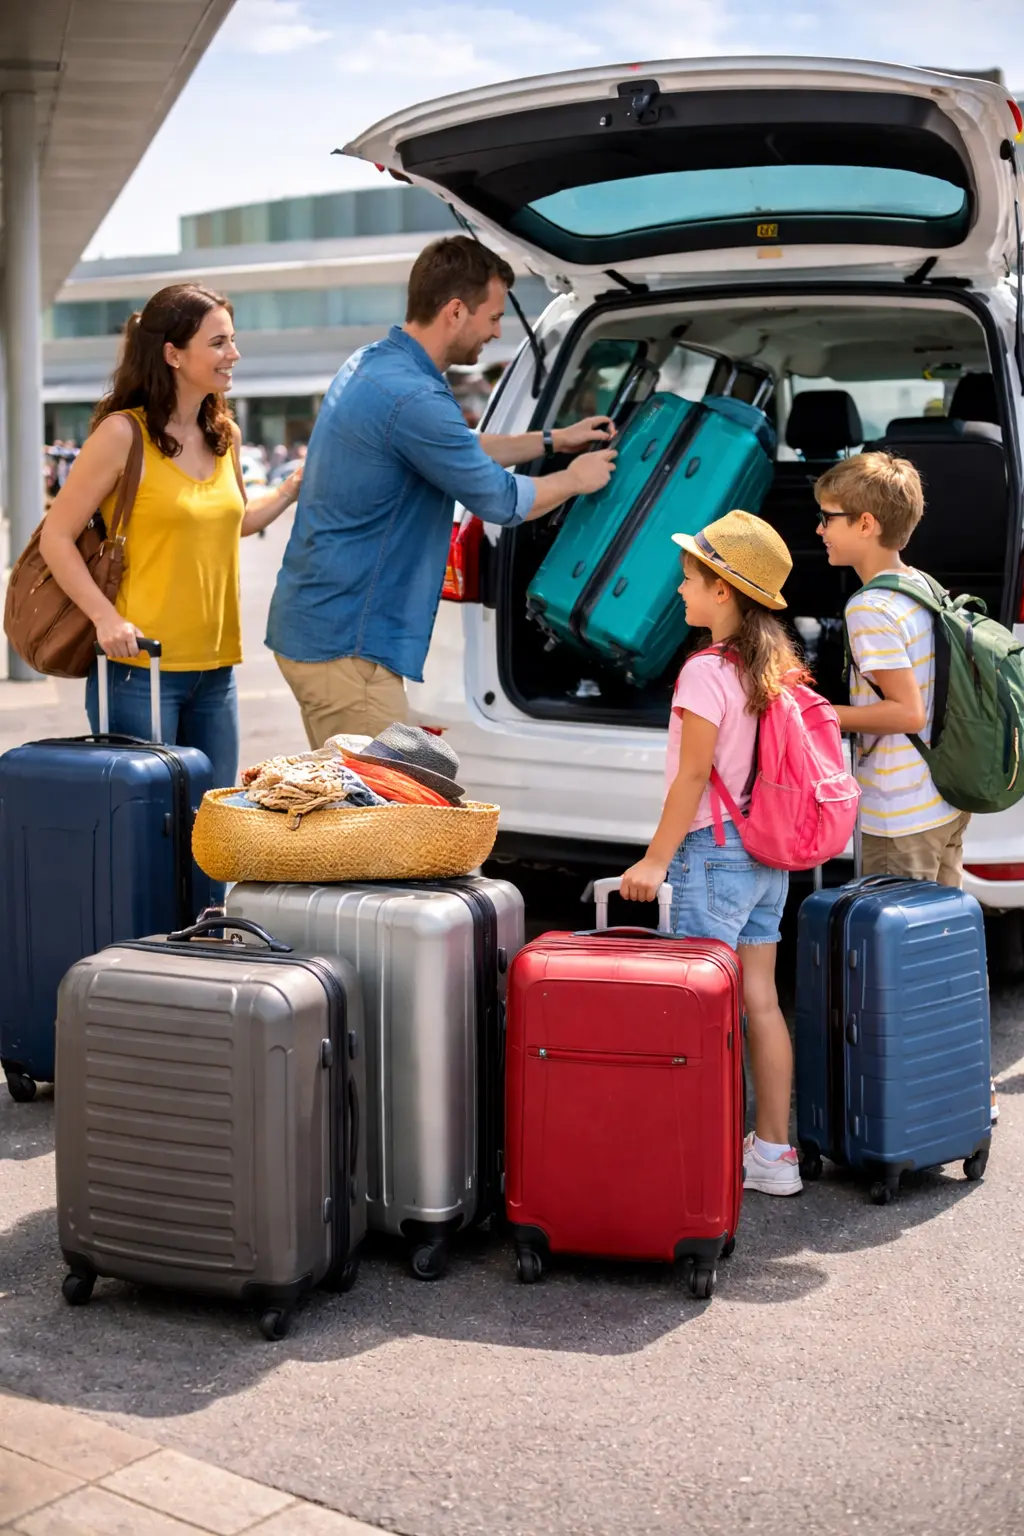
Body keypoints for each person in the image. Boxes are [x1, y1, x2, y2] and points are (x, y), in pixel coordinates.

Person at [266, 235, 617, 747]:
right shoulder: (412, 396)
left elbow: (454, 448)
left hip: (323, 628)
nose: (497, 333)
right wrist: (575, 478)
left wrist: (552, 440)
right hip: (347, 648)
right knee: (377, 817)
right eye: (493, 317)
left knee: (354, 808)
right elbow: (499, 500)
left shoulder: (376, 363)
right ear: (455, 311)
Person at [39, 282, 301, 794]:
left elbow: (237, 521)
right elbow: (56, 537)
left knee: (212, 834)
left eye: (232, 340)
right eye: (219, 342)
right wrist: (105, 617)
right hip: (140, 668)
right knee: (146, 834)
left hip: (217, 669)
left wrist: (291, 488)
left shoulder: (224, 434)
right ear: (173, 354)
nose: (234, 354)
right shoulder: (121, 435)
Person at [619, 511, 806, 1196]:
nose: (679, 592)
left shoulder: (704, 671)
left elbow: (694, 776)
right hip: (766, 856)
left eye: (690, 580)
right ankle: (773, 1155)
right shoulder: (774, 666)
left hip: (710, 857)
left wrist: (653, 860)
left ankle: (700, 1158)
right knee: (759, 1000)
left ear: (724, 591)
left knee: (699, 1011)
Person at [814, 452, 999, 1125]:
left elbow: (904, 712)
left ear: (866, 523)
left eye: (830, 519)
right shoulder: (917, 583)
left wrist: (821, 713)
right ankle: (960, 1087)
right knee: (944, 950)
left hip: (899, 812)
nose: (819, 530)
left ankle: (919, 1104)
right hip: (942, 800)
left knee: (901, 967)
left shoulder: (869, 609)